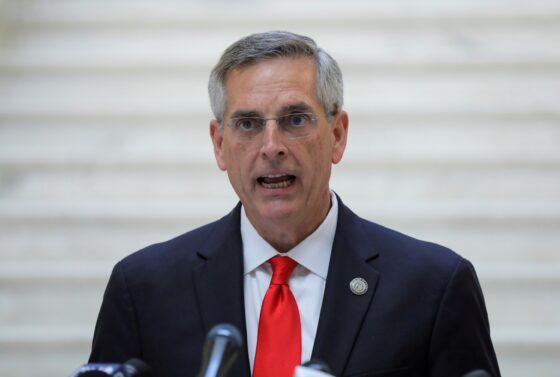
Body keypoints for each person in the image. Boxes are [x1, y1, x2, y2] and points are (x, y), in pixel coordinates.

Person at [89, 31, 501, 377]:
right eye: (247, 124)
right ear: (219, 145)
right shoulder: (143, 289)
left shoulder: (433, 286)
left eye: (295, 120)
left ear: (338, 135)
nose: (271, 147)